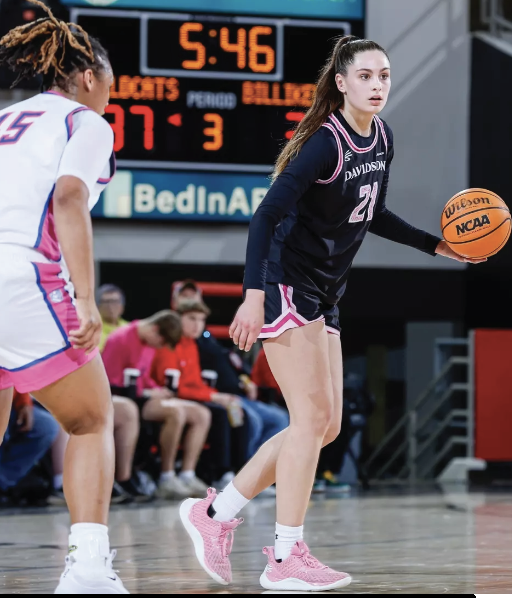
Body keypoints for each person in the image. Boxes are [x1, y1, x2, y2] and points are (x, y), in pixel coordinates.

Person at [179, 35, 486, 591]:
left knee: (325, 426)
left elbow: (376, 213)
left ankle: (216, 513)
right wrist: (252, 295)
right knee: (308, 423)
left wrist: (435, 245)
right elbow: (264, 216)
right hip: (284, 283)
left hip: (325, 292)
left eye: (385, 76)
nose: (377, 86)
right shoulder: (324, 144)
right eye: (366, 76)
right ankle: (284, 557)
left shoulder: (382, 137)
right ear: (341, 83)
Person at [0, 1, 128, 592]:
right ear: (86, 77)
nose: (110, 94)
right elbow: (70, 198)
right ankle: (88, 571)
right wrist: (83, 302)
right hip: (23, 276)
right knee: (90, 420)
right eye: (110, 83)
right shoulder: (85, 122)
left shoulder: (6, 118)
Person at [102, 311, 211, 500]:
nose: (159, 347)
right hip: (124, 397)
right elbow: (109, 380)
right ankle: (165, 476)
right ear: (155, 330)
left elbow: (144, 376)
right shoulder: (120, 339)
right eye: (161, 343)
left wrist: (157, 390)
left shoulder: (148, 341)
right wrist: (147, 392)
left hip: (143, 396)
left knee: (201, 414)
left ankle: (187, 474)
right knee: (174, 412)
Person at [179, 300, 289, 459]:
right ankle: (243, 471)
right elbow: (190, 383)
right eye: (192, 319)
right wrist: (214, 396)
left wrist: (245, 381)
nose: (198, 324)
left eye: (201, 319)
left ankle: (261, 471)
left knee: (280, 419)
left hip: (237, 395)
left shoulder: (208, 340)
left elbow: (234, 365)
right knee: (252, 421)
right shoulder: (185, 345)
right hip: (220, 397)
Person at [0, 391, 59, 501]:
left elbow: (12, 377)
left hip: (9, 401)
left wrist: (24, 403)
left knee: (46, 426)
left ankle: (3, 482)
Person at [97, 284, 129, 351]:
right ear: (98, 307)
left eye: (114, 302)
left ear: (122, 307)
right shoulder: (93, 329)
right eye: (106, 302)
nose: (110, 306)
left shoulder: (129, 328)